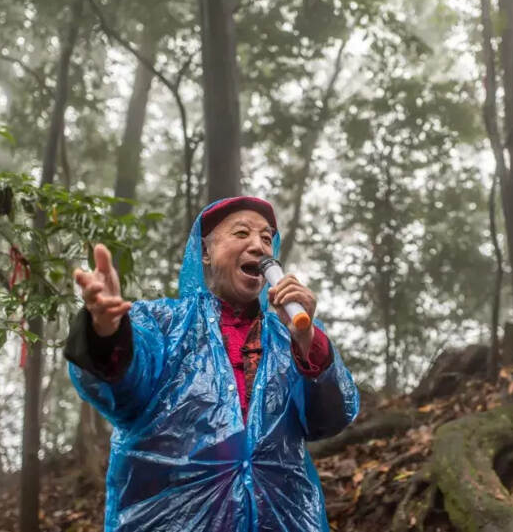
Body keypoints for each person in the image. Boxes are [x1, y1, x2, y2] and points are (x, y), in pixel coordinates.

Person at [64, 196, 360, 531]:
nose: (258, 246)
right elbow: (121, 390)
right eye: (241, 233)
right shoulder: (165, 324)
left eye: (266, 238)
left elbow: (331, 418)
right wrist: (106, 331)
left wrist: (308, 344)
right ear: (206, 252)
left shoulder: (292, 337)